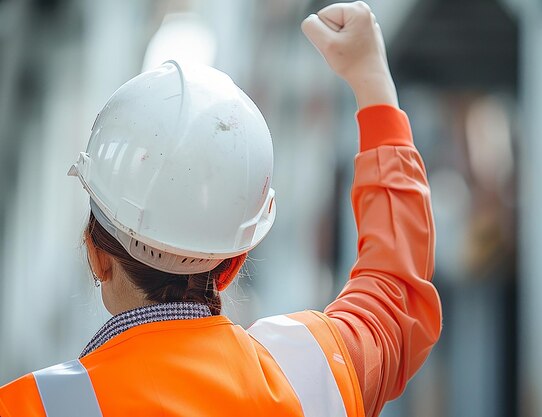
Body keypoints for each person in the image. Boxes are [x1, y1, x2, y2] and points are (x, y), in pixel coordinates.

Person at [0, 2, 442, 416]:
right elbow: (395, 296)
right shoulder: (313, 374)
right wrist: (373, 82)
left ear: (97, 257)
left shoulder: (36, 405)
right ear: (232, 264)